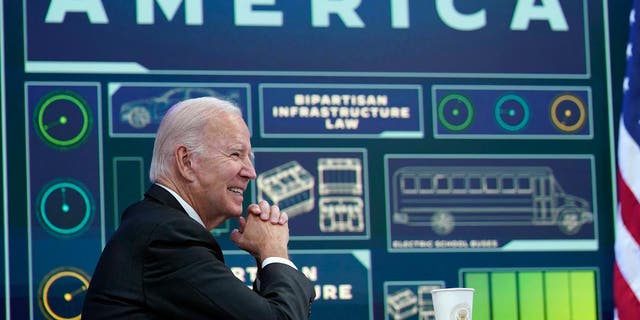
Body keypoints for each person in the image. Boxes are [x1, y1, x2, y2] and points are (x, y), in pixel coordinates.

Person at [82, 97, 315, 319]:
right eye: (236, 154)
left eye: (249, 157)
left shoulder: (156, 226)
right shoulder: (167, 238)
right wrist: (274, 252)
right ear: (186, 161)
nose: (250, 172)